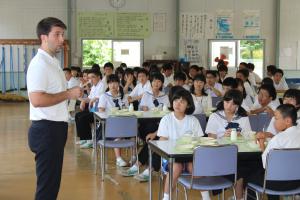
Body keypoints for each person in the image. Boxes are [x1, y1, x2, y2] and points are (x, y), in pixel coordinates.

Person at [27, 17, 82, 200]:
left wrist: (71, 91)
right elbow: (37, 99)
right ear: (44, 37)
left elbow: (53, 93)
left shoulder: (52, 62)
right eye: (57, 34)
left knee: (51, 183)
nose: (61, 39)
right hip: (46, 130)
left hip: (54, 128)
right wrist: (68, 94)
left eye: (62, 34)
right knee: (47, 187)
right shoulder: (39, 64)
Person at [236, 104, 300, 200]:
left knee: (249, 173)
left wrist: (262, 145)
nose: (274, 122)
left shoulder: (278, 139)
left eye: (276, 119)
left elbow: (266, 164)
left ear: (287, 121)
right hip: (297, 183)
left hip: (275, 183)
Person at [158, 89, 206, 200]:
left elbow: (200, 142)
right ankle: (166, 197)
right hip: (171, 158)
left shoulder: (193, 120)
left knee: (197, 169)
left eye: (182, 101)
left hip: (190, 157)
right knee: (176, 167)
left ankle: (206, 197)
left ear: (188, 105)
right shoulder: (166, 119)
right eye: (176, 100)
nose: (178, 104)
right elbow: (162, 143)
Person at [98, 74, 128, 167]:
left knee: (134, 131)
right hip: (107, 125)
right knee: (118, 133)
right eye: (111, 83)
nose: (113, 85)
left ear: (118, 84)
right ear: (108, 85)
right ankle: (118, 158)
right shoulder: (104, 96)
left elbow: (126, 109)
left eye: (115, 83)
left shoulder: (122, 96)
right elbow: (101, 111)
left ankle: (135, 157)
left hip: (122, 123)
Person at [75, 68, 105, 148]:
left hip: (99, 111)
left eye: (93, 77)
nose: (91, 80)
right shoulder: (94, 86)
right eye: (89, 78)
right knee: (78, 115)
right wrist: (83, 101)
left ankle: (89, 140)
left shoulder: (102, 85)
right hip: (92, 109)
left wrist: (91, 100)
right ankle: (83, 139)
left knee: (83, 118)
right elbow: (89, 98)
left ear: (98, 77)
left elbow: (100, 97)